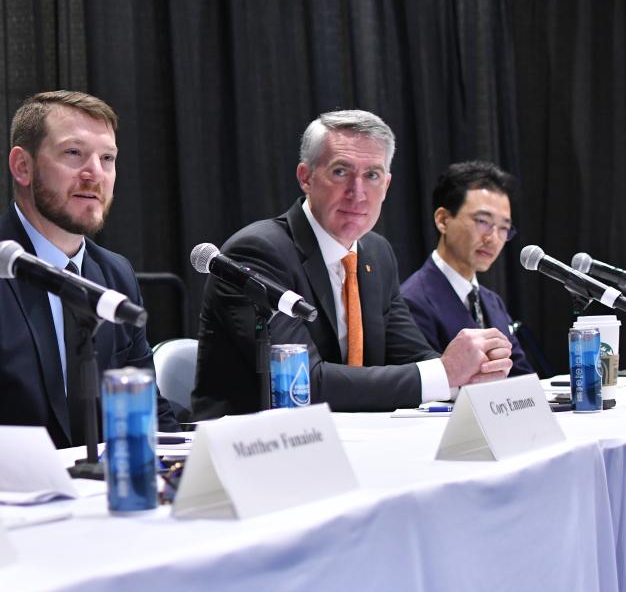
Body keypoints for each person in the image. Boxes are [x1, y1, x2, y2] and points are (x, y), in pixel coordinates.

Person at [0, 90, 179, 448]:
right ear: (22, 167)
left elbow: (149, 411)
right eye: (73, 153)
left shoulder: (115, 274)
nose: (94, 173)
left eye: (107, 158)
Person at [192, 110, 514, 418]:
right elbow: (304, 384)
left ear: (386, 186)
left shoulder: (376, 253)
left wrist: (470, 374)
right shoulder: (259, 252)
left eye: (372, 175)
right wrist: (444, 374)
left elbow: (413, 356)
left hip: (353, 439)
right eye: (340, 172)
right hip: (254, 448)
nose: (357, 193)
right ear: (305, 177)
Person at [400, 162, 534, 375]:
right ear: (443, 220)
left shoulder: (492, 302)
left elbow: (522, 376)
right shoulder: (411, 301)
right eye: (482, 221)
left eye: (504, 228)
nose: (493, 239)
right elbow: (427, 386)